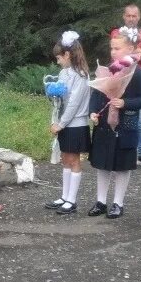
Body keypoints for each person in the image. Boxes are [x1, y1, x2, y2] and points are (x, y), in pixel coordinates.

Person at [88, 27, 141, 219]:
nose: (113, 52)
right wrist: (93, 111)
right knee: (103, 163)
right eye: (112, 48)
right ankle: (100, 201)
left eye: (117, 48)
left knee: (122, 165)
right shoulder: (108, 71)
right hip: (104, 125)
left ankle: (118, 203)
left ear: (131, 49)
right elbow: (97, 92)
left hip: (126, 126)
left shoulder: (138, 74)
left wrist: (125, 103)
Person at [44, 31, 90, 215]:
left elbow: (73, 104)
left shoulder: (80, 75)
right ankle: (64, 196)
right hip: (64, 122)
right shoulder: (64, 73)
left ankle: (72, 199)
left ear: (67, 55)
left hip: (76, 123)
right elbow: (61, 100)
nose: (57, 61)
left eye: (58, 58)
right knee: (65, 159)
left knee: (73, 160)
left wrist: (61, 124)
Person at [111, 4, 141, 168]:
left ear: (139, 17)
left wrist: (129, 54)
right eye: (128, 16)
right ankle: (121, 149)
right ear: (124, 16)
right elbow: (117, 51)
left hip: (137, 77)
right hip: (119, 75)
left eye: (134, 16)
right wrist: (137, 53)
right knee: (118, 113)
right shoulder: (117, 33)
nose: (131, 18)